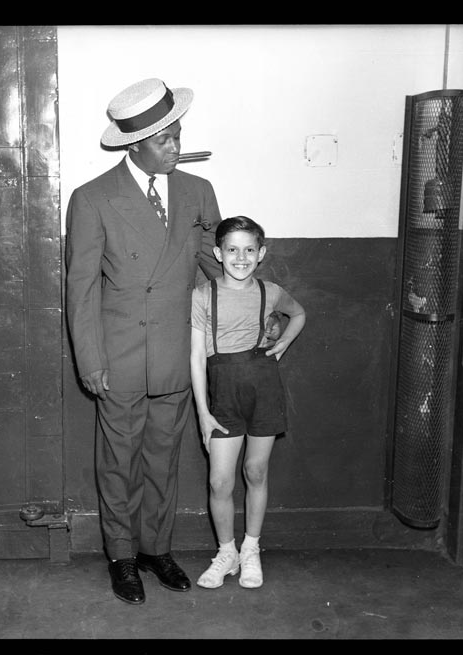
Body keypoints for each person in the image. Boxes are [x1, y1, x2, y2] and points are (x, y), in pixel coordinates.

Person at [65, 78, 224, 605]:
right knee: (119, 460)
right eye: (165, 140)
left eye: (178, 135)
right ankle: (122, 556)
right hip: (120, 355)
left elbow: (214, 268)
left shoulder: (198, 192)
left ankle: (157, 550)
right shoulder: (92, 199)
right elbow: (81, 287)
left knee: (164, 457)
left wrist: (253, 308)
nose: (176, 146)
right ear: (135, 145)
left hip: (177, 353)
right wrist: (90, 359)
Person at [189, 215, 306, 589]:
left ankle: (251, 548)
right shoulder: (203, 295)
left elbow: (298, 314)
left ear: (261, 253)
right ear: (218, 253)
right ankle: (227, 553)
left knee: (256, 472)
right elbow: (195, 358)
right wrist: (203, 413)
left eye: (249, 250)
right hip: (223, 392)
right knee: (220, 481)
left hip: (263, 387)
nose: (241, 257)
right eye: (232, 249)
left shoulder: (269, 291)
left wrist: (284, 341)